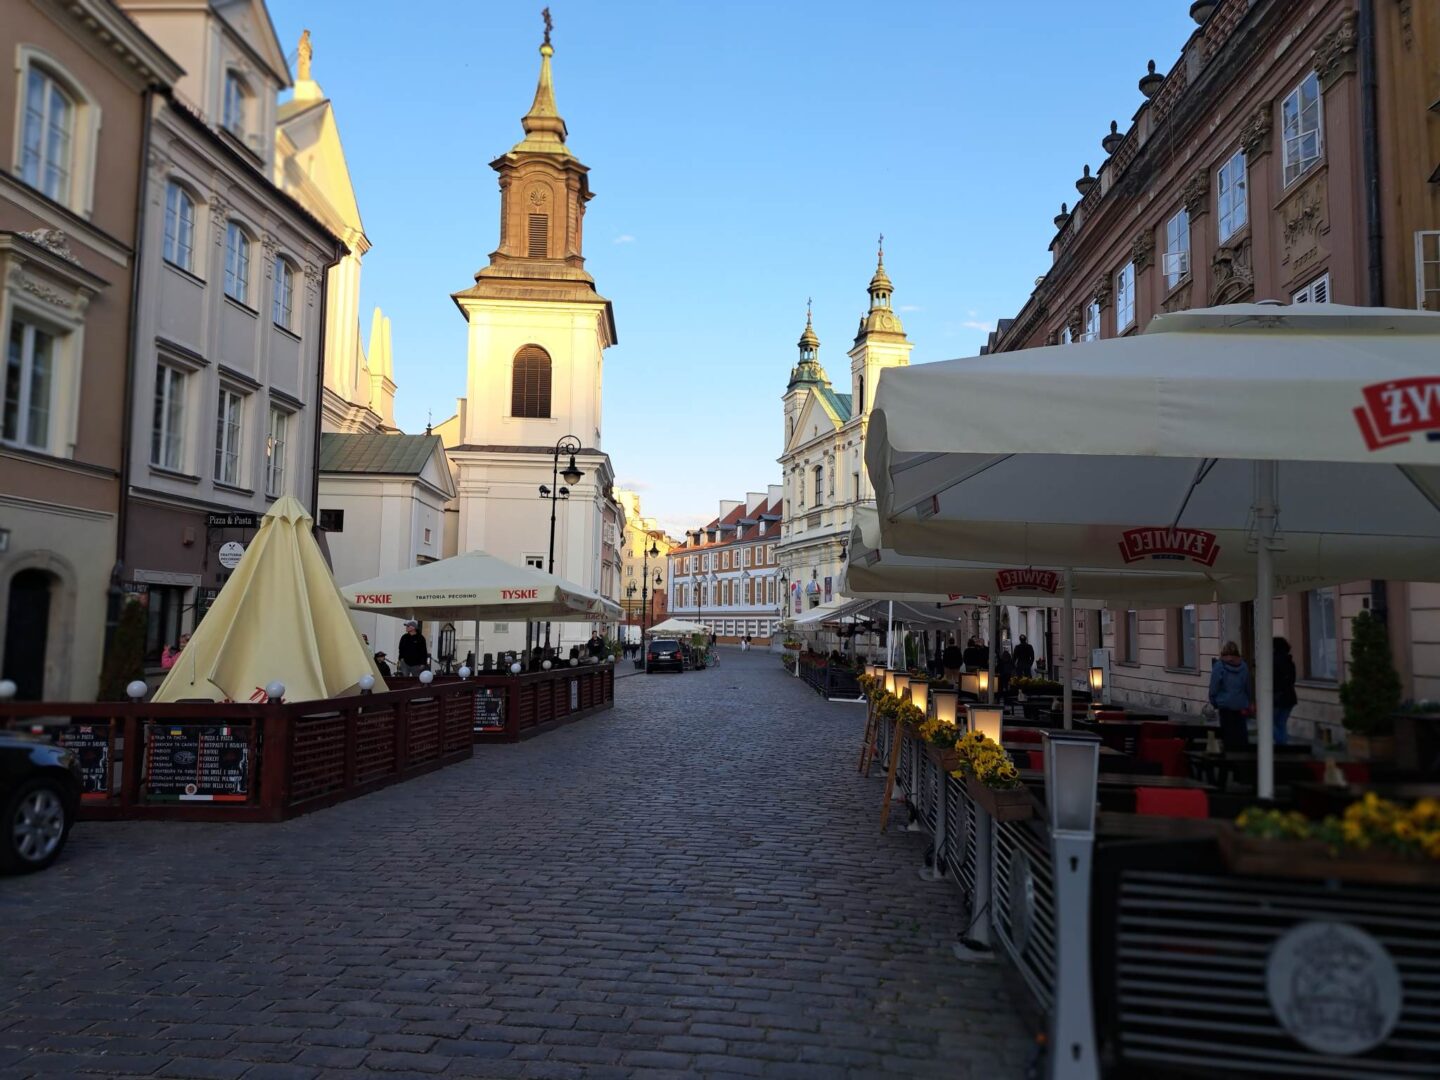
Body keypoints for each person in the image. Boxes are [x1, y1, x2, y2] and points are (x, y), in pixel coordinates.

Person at [1209, 640, 1252, 751]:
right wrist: (1249, 700)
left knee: (1227, 731)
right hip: (1240, 703)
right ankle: (1241, 754)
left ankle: (1229, 753)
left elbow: (1214, 686)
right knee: (1241, 731)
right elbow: (1248, 686)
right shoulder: (1244, 666)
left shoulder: (1219, 666)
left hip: (1225, 704)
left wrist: (1214, 700)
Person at [1273, 637, 1298, 745]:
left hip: (1277, 697)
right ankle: (1282, 745)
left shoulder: (1273, 661)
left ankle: (1281, 743)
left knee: (1267, 723)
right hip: (1290, 697)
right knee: (1281, 723)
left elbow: (1272, 680)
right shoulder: (1289, 661)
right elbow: (1292, 680)